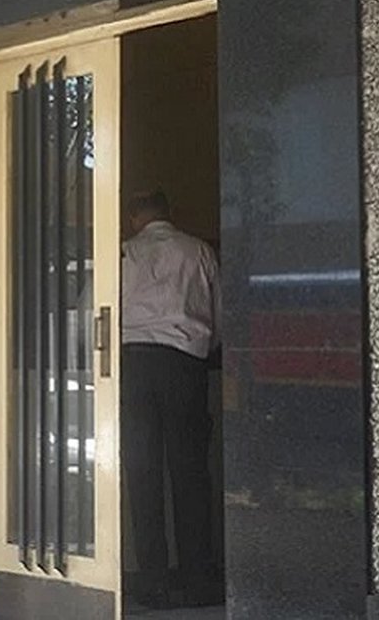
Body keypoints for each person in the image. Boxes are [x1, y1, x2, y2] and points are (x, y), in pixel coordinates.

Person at [120, 189, 221, 609]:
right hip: (184, 365)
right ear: (169, 212)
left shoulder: (124, 253)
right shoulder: (198, 251)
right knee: (190, 473)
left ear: (133, 217)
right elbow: (218, 313)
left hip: (133, 366)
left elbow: (95, 310)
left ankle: (154, 582)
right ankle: (197, 580)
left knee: (143, 474)